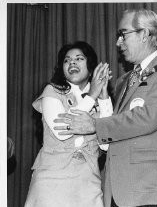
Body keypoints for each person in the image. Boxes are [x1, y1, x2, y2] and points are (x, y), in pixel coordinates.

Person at [54, 9, 157, 207]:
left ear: (144, 34)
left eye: (123, 34)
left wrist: (95, 125)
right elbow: (117, 133)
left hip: (149, 190)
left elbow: (148, 118)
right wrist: (104, 99)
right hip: (116, 193)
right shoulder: (123, 81)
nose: (118, 43)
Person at [24, 41, 113, 207]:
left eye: (79, 59)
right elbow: (62, 130)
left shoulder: (98, 98)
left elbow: (107, 144)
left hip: (87, 182)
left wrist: (104, 94)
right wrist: (92, 95)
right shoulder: (52, 91)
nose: (72, 63)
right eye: (67, 60)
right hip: (52, 180)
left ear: (91, 66)